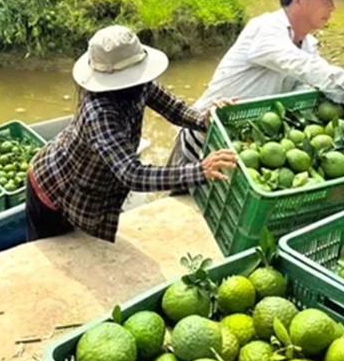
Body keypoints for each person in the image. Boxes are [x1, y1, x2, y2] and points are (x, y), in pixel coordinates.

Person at [25, 25, 237, 242]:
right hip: (53, 191)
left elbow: (174, 108)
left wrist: (204, 118)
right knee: (53, 252)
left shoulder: (139, 85)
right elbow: (132, 174)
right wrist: (199, 171)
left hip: (89, 186)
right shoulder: (99, 112)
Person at [173, 0, 344, 166]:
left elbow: (316, 85)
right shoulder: (265, 30)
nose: (332, 7)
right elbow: (307, 69)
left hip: (245, 148)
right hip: (202, 141)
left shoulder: (308, 46)